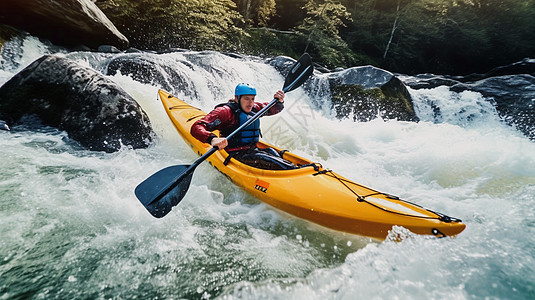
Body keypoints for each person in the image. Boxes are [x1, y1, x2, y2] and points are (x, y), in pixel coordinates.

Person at [190, 83, 296, 170]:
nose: (250, 103)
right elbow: (196, 127)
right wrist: (212, 139)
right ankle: (292, 171)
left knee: (272, 153)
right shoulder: (225, 112)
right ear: (237, 98)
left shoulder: (254, 108)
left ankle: (295, 169)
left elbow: (272, 109)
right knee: (272, 161)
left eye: (252, 99)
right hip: (235, 154)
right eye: (246, 99)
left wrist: (279, 102)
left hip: (252, 150)